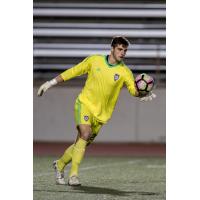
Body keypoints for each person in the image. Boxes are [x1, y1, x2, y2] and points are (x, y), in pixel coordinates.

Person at [37, 36, 156, 186]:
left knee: (81, 143)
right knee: (85, 134)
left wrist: (142, 93)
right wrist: (50, 83)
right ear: (112, 48)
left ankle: (60, 165)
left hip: (101, 115)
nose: (122, 53)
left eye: (125, 50)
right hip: (84, 104)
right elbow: (73, 71)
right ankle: (73, 175)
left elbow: (133, 90)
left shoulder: (125, 71)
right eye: (120, 49)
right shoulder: (94, 60)